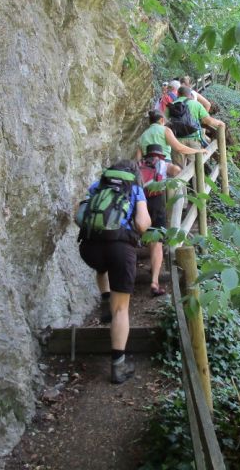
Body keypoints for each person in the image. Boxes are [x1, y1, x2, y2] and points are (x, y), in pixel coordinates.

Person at [77, 160, 151, 384]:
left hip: (89, 248)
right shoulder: (135, 190)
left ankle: (104, 298)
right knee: (121, 309)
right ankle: (118, 366)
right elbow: (142, 224)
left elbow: (79, 217)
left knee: (103, 266)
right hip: (120, 249)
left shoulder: (96, 186)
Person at [138, 144, 173, 297]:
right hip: (157, 203)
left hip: (141, 204)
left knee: (142, 235)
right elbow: (178, 171)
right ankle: (154, 281)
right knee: (157, 242)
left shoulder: (139, 165)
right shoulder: (162, 164)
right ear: (160, 154)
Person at [167, 85, 224, 166]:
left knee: (178, 169)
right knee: (194, 167)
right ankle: (194, 178)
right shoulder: (196, 104)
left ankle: (182, 178)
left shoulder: (171, 105)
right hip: (193, 139)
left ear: (178, 94)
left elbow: (165, 122)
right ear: (190, 95)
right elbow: (208, 121)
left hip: (177, 140)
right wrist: (220, 123)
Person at [135, 109, 205, 170]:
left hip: (148, 167)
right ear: (162, 120)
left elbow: (138, 159)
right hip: (164, 164)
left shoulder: (142, 135)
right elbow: (179, 148)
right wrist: (197, 151)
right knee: (178, 172)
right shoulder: (165, 130)